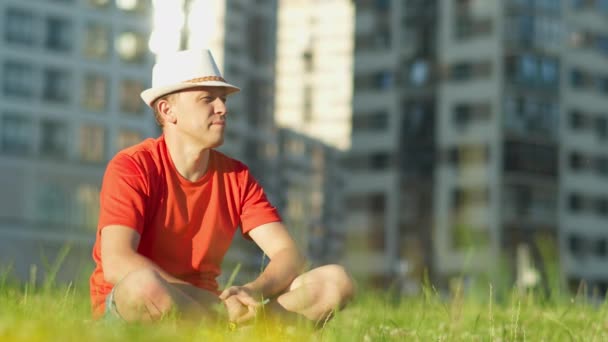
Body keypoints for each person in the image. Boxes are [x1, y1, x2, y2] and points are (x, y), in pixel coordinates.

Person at [89, 49, 354, 325]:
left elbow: (288, 254)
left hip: (212, 313)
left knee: (336, 281)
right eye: (207, 99)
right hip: (143, 309)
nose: (222, 109)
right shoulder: (133, 167)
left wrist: (251, 292)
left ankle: (237, 331)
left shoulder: (236, 176)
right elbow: (118, 262)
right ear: (168, 110)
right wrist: (210, 305)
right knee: (143, 285)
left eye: (223, 99)